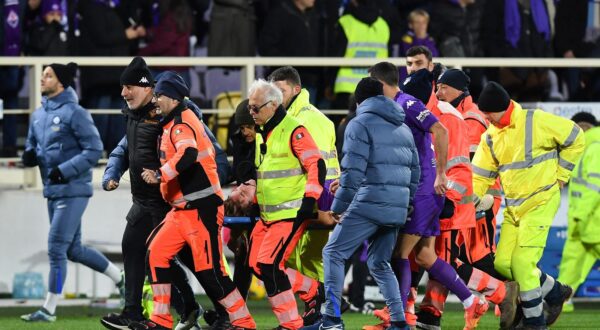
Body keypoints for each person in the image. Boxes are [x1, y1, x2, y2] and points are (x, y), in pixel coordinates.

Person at [127, 72, 256, 330]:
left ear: (173, 98)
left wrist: (160, 175)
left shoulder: (181, 123)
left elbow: (188, 153)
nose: (156, 99)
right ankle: (160, 320)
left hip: (202, 210)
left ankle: (243, 322)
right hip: (183, 210)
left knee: (211, 271)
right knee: (156, 253)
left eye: (160, 95)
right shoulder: (175, 120)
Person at [100, 57, 205, 330]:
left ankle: (204, 310)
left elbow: (201, 147)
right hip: (144, 202)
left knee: (189, 262)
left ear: (147, 88)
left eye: (129, 87)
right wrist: (111, 174)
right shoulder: (134, 114)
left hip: (169, 203)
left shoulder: (172, 112)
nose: (123, 93)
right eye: (122, 87)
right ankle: (135, 313)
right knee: (137, 250)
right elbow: (124, 150)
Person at [306, 77, 419, 330]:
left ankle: (332, 319)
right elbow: (415, 171)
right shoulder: (403, 127)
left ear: (359, 101)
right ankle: (400, 323)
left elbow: (355, 171)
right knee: (379, 262)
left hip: (370, 203)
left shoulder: (359, 124)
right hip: (396, 207)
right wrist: (404, 202)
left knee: (333, 252)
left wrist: (338, 206)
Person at [472, 81, 585, 329]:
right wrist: (467, 203)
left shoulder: (536, 120)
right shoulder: (490, 136)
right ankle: (554, 292)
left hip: (541, 201)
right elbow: (479, 177)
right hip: (514, 208)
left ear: (502, 108)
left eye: (488, 112)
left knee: (523, 264)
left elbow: (576, 136)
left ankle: (535, 322)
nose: (485, 117)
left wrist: (562, 175)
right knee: (502, 264)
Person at [20, 62, 124, 322]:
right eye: (43, 74)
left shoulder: (76, 113)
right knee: (72, 250)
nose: (42, 79)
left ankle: (48, 309)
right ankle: (120, 278)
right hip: (52, 190)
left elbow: (94, 149)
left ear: (62, 83)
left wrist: (63, 170)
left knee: (56, 247)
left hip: (73, 189)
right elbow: (33, 148)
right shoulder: (37, 116)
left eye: (49, 75)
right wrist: (29, 156)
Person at [366, 61, 451, 329]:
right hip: (413, 188)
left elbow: (440, 129)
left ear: (380, 84)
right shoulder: (389, 108)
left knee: (398, 255)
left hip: (425, 188)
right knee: (424, 256)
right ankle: (480, 299)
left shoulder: (408, 104)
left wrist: (441, 174)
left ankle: (399, 318)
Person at [246, 79, 325, 330]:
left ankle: (291, 325)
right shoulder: (263, 132)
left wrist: (310, 200)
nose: (251, 113)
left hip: (290, 213)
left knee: (269, 266)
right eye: (250, 107)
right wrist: (256, 202)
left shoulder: (293, 129)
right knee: (257, 265)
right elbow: (266, 173)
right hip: (269, 216)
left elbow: (316, 164)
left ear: (273, 105)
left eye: (256, 108)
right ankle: (313, 289)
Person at [268, 66, 340, 325]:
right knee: (299, 259)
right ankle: (316, 314)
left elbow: (316, 167)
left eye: (281, 90)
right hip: (306, 196)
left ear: (296, 90)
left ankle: (326, 315)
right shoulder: (291, 116)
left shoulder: (310, 119)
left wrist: (312, 200)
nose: (276, 95)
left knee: (313, 259)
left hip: (320, 195)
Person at [558, 112, 600, 312]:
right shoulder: (587, 149)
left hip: (592, 220)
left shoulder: (595, 148)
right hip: (582, 220)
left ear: (583, 128)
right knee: (570, 263)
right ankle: (560, 302)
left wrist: (581, 214)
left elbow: (594, 187)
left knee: (571, 262)